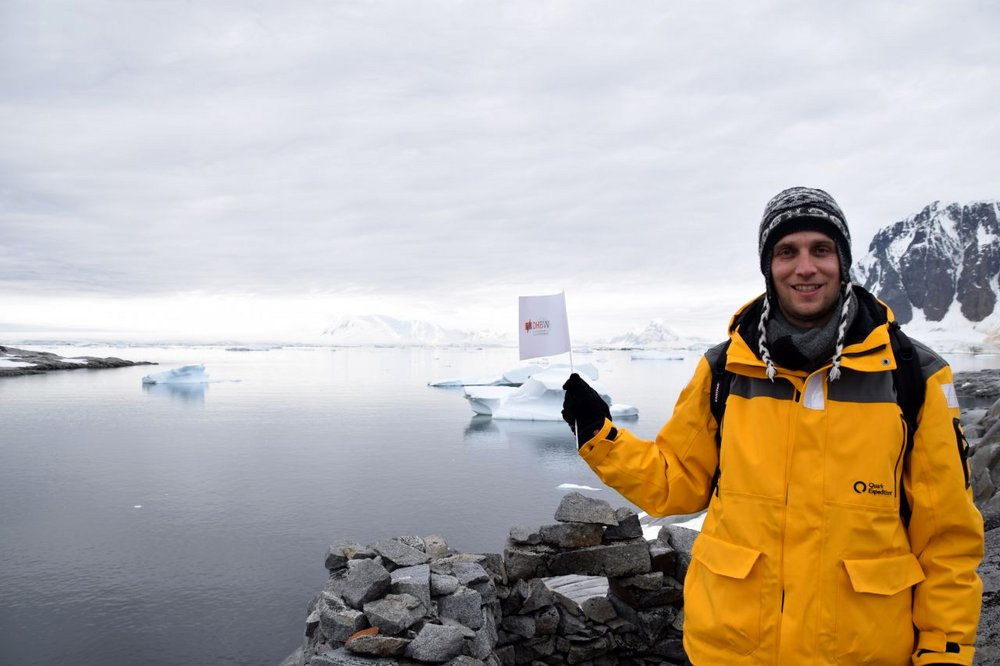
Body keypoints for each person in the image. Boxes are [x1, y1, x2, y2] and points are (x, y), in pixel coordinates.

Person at [561, 187, 983, 665]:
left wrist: (945, 651)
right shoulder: (725, 370)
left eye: (820, 250)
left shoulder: (913, 375)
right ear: (769, 265)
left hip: (861, 652)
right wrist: (599, 436)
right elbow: (674, 483)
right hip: (734, 649)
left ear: (842, 261)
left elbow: (946, 537)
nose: (805, 267)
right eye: (787, 252)